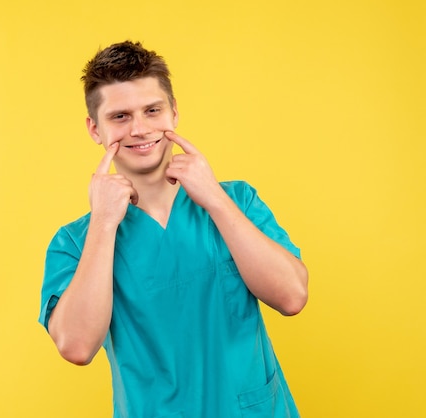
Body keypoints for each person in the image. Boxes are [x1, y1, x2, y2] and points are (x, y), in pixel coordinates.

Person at [38, 40, 308, 418]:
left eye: (152, 110)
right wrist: (103, 222)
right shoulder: (75, 241)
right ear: (94, 129)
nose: (140, 128)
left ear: (174, 113)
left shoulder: (237, 201)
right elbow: (76, 347)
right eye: (120, 116)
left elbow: (292, 297)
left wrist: (214, 200)